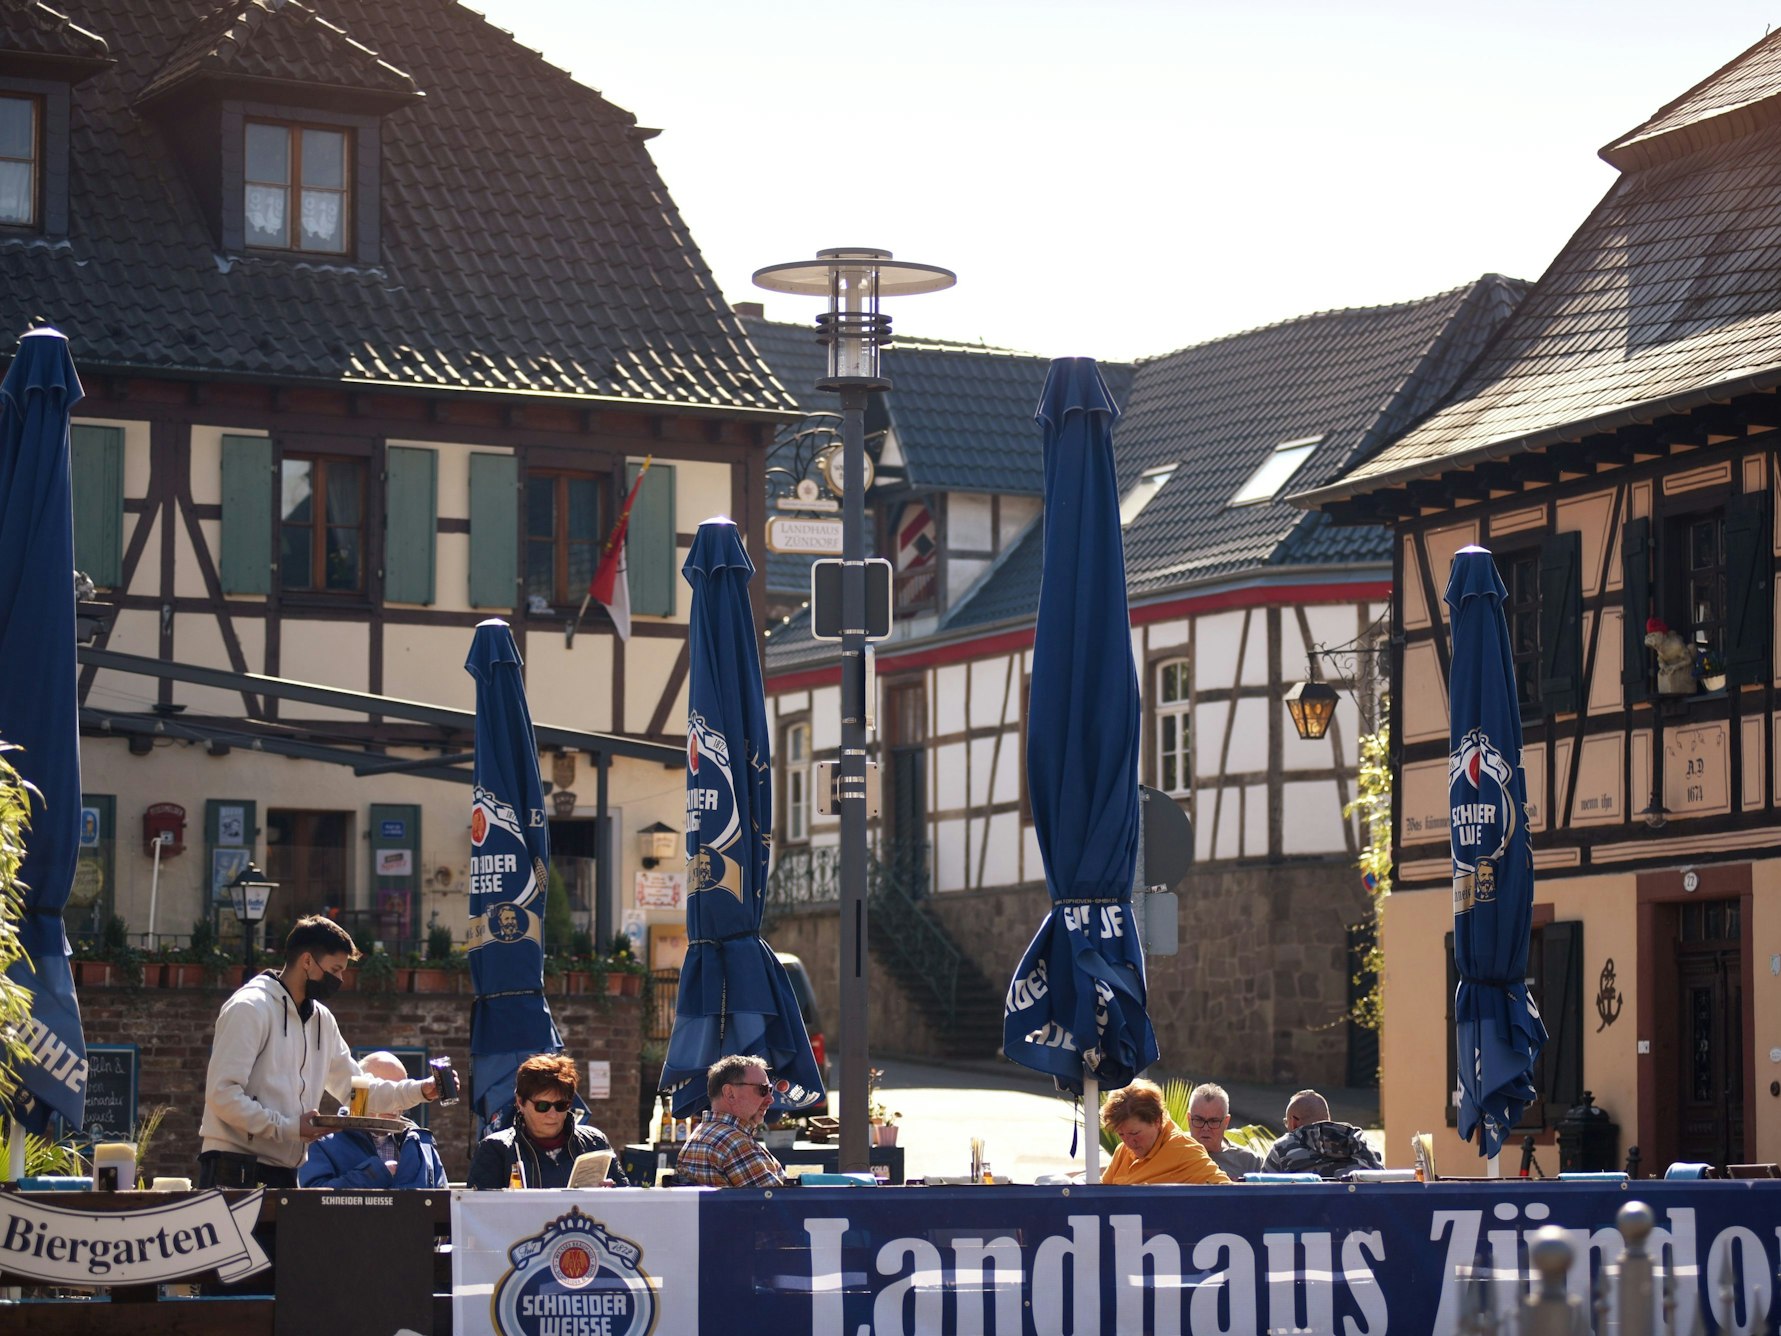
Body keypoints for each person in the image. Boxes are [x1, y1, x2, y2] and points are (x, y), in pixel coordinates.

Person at [199, 916, 437, 1189]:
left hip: (286, 1169)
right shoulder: (249, 1007)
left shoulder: (322, 1020)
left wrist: (422, 1089)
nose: (340, 979)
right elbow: (222, 1094)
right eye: (335, 969)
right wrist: (289, 1127)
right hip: (235, 1166)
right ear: (307, 961)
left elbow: (357, 1090)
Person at [466, 1053, 629, 1189]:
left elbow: (627, 1203)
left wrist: (612, 1194)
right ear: (520, 1102)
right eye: (542, 1106)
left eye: (561, 1105)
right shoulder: (496, 1149)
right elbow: (479, 1211)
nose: (553, 1115)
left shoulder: (594, 1142)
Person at [299, 1052, 448, 1189]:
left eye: (398, 1093)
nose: (393, 1104)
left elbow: (445, 1203)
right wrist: (377, 1173)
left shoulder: (421, 1144)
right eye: (385, 1092)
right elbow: (312, 1200)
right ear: (359, 1091)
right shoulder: (322, 1142)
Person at [674, 1054, 786, 1188]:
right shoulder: (734, 1143)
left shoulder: (701, 1134)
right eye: (762, 1089)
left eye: (770, 1090)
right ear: (729, 1093)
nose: (770, 1099)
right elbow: (775, 1199)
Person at [1100, 1078, 1232, 1186]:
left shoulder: (1184, 1149)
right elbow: (1100, 1196)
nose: (1129, 1142)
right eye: (1121, 1134)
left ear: (1157, 1120)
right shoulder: (1122, 1151)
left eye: (1135, 1133)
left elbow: (1227, 1192)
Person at [1259, 1089, 1382, 1178]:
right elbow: (1383, 1184)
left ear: (1293, 1122)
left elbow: (1263, 1193)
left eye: (1286, 1122)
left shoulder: (1282, 1148)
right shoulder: (1363, 1142)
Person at [1186, 1082, 1261, 1180]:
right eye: (1199, 1120)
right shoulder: (1172, 1152)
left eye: (1213, 1121)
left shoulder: (1250, 1163)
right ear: (1189, 1118)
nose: (1205, 1128)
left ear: (1226, 1122)